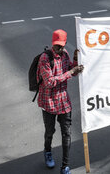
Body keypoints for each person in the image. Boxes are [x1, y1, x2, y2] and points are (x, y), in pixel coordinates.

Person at [37, 29, 83, 174]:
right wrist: (70, 72)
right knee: (50, 131)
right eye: (57, 46)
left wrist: (76, 61)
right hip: (49, 102)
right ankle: (48, 151)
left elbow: (71, 70)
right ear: (53, 43)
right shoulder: (45, 58)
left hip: (63, 101)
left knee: (67, 133)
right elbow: (50, 82)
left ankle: (65, 165)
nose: (60, 49)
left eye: (62, 46)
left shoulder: (65, 54)